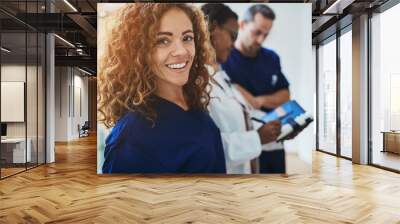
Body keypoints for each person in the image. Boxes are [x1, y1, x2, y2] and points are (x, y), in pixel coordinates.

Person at [98, 3, 226, 173]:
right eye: (163, 41)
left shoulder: (192, 103)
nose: (181, 51)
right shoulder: (131, 137)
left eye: (187, 38)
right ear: (138, 51)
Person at [201, 3, 281, 174]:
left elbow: (241, 120)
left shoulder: (221, 77)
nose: (234, 42)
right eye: (233, 34)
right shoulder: (196, 85)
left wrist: (275, 132)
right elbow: (205, 147)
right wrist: (257, 138)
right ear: (213, 29)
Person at [222, 4, 290, 174]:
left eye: (266, 35)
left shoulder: (271, 58)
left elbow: (285, 95)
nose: (261, 40)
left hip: (275, 144)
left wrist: (258, 101)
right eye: (257, 32)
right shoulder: (224, 57)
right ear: (242, 25)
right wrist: (269, 100)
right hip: (245, 144)